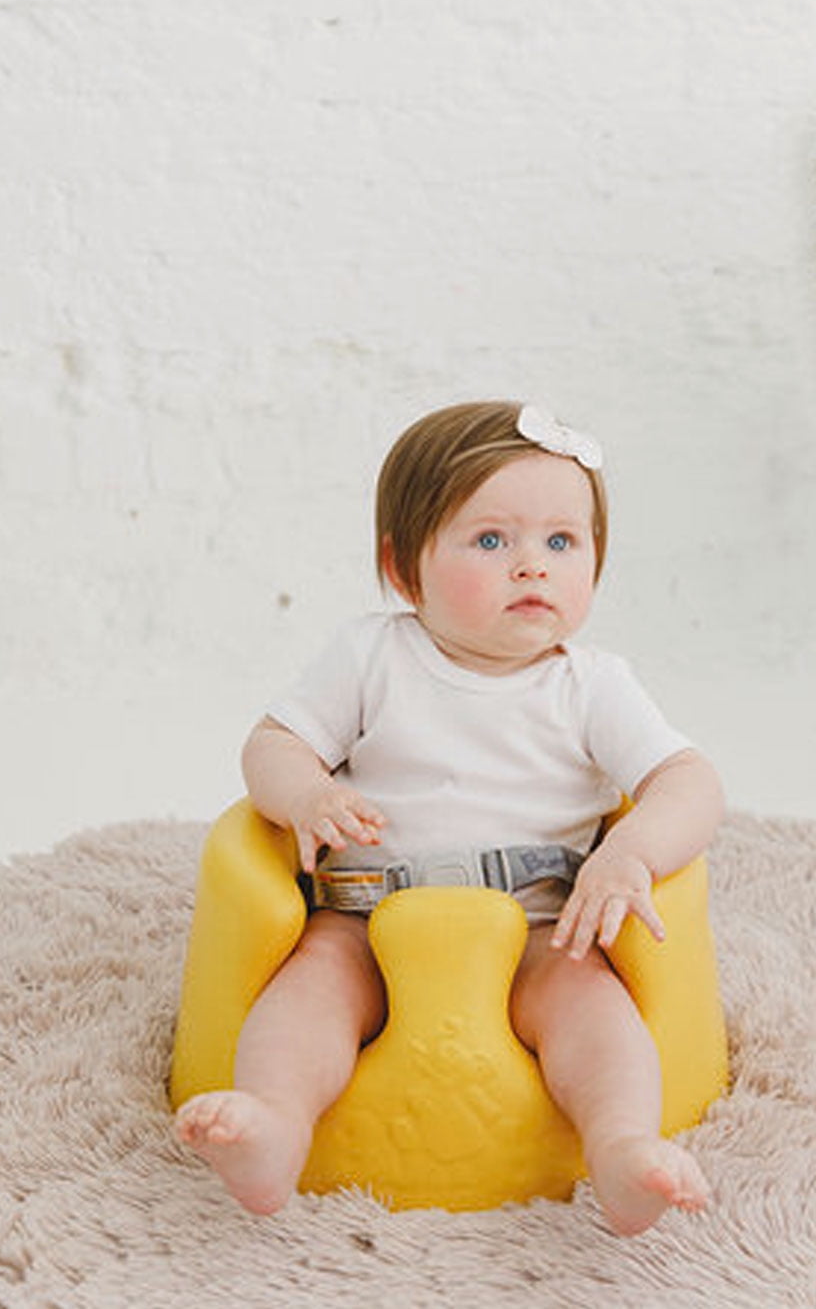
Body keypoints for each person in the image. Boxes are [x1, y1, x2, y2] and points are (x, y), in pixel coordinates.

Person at [174, 400, 726, 1236]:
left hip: (543, 925)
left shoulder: (593, 684)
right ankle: (274, 1125)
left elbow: (689, 781)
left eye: (562, 542)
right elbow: (272, 745)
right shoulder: (372, 655)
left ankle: (620, 1149)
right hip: (367, 914)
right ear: (405, 569)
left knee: (595, 1016)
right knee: (306, 995)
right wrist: (307, 794)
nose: (532, 566)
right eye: (492, 541)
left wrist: (631, 855)